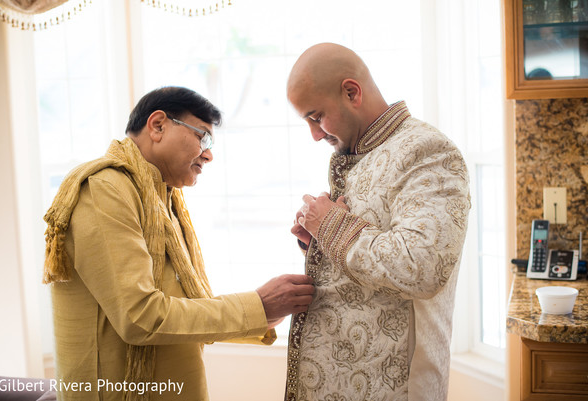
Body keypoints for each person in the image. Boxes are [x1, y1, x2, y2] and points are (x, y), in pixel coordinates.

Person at [43, 86, 315, 401]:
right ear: (157, 125)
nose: (209, 154)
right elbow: (140, 317)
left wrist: (262, 313)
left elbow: (181, 301)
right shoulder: (105, 189)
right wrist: (257, 306)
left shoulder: (162, 196)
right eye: (203, 137)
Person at [284, 43, 471, 401]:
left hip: (393, 386)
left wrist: (330, 226)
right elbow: (367, 245)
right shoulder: (358, 151)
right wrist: (318, 241)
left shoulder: (427, 150)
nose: (315, 134)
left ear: (351, 92)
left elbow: (422, 267)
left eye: (316, 116)